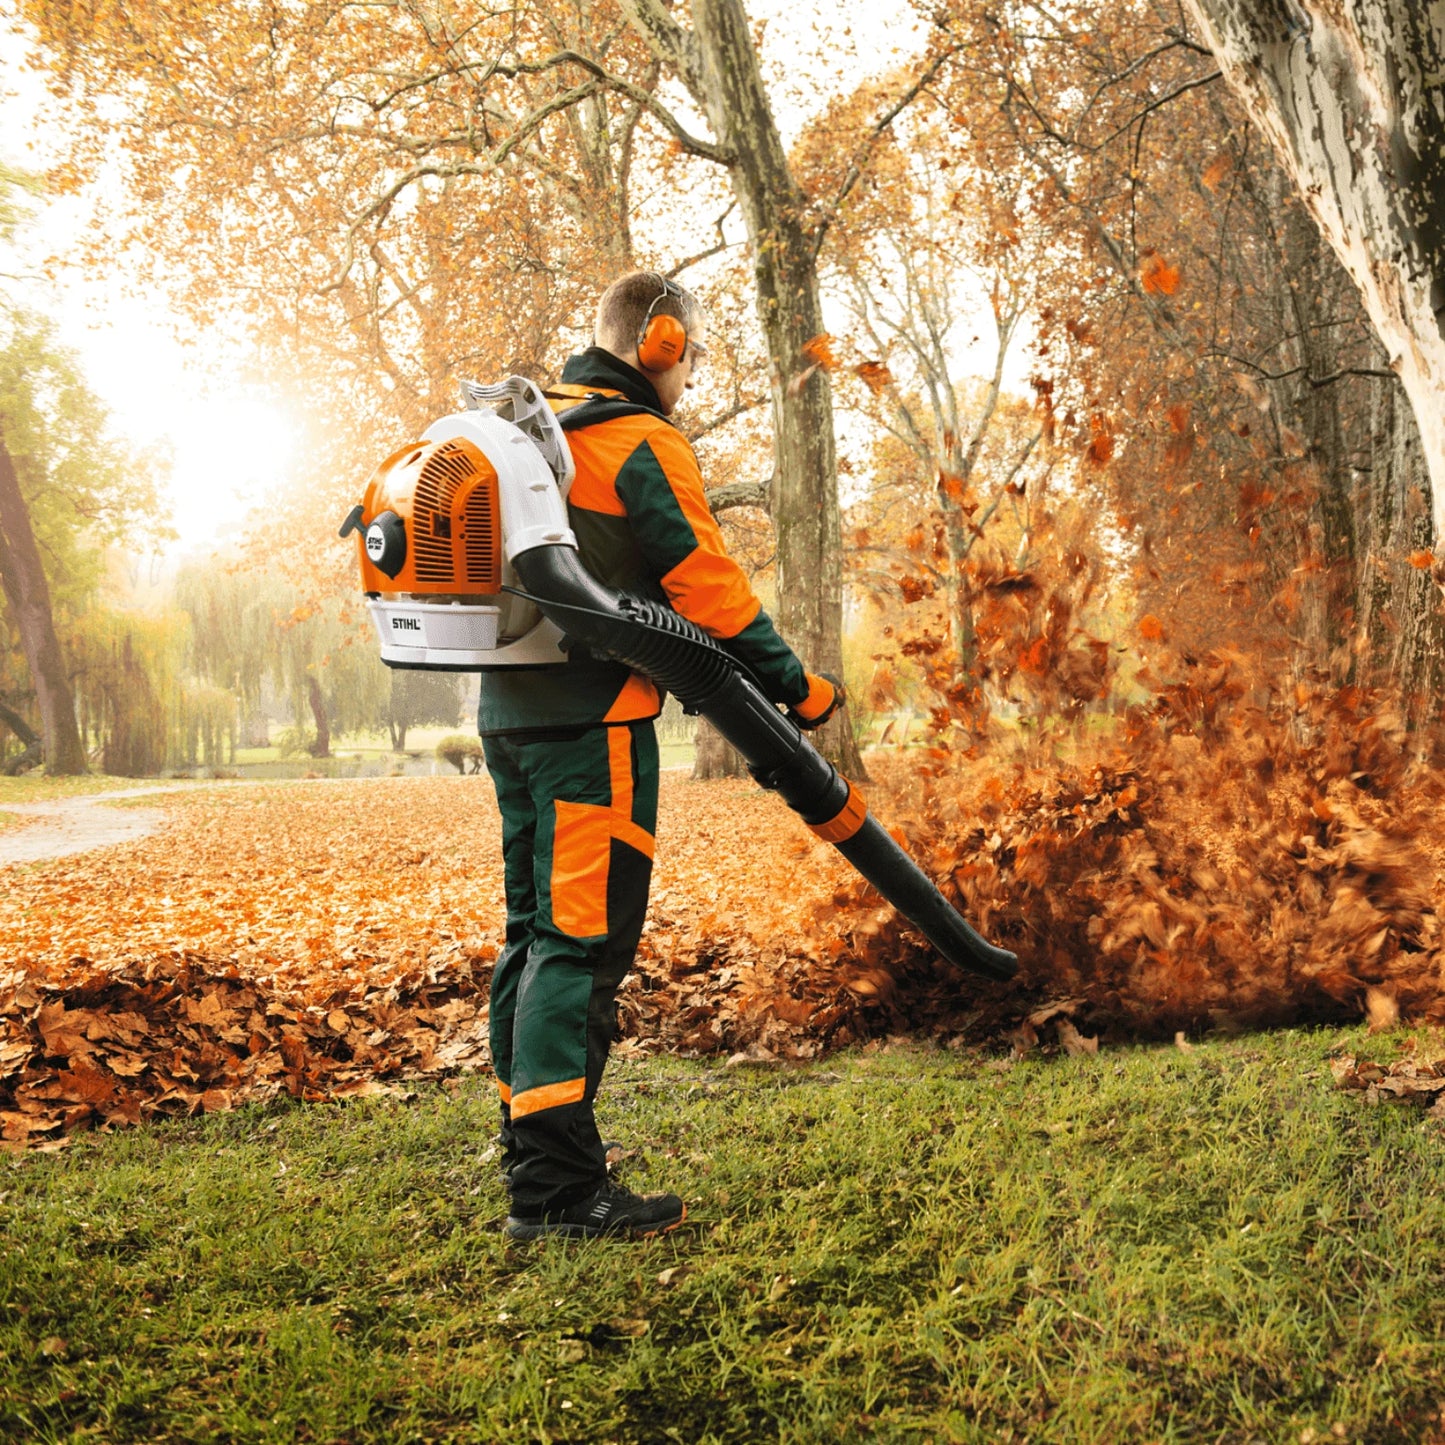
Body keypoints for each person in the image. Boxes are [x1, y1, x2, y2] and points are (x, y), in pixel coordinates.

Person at [480, 271, 842, 1240]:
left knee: (531, 931)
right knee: (580, 943)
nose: (689, 373)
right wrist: (800, 688)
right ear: (663, 340)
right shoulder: (637, 439)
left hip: (507, 715)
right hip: (593, 723)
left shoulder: (528, 425)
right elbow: (707, 585)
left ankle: (532, 1142)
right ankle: (556, 1188)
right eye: (692, 353)